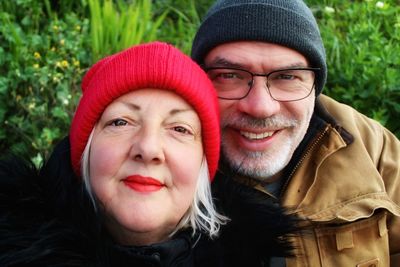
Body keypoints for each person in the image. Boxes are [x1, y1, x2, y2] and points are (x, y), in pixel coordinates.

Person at [0, 41, 299, 267]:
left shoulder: (266, 258)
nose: (148, 148)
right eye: (121, 122)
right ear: (85, 150)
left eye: (180, 129)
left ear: (202, 164)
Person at [191, 0, 400, 266]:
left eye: (287, 76)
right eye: (229, 75)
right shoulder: (160, 160)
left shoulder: (372, 146)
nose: (260, 108)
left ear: (315, 86)